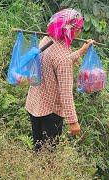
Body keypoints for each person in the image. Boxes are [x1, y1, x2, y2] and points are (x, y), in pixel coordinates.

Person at [25, 8, 95, 151]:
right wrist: (73, 121)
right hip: (51, 113)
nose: (80, 32)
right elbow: (65, 93)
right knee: (50, 156)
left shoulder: (46, 40)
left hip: (34, 105)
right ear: (71, 30)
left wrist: (81, 51)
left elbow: (59, 62)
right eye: (79, 28)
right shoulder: (62, 57)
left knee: (38, 150)